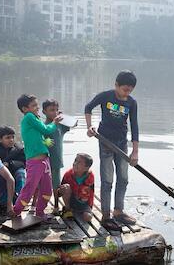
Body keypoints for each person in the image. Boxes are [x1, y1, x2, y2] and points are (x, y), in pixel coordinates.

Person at [84, 70, 139, 230]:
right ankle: (106, 216)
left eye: (130, 90)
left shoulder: (132, 102)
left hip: (122, 143)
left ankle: (118, 211)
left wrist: (135, 152)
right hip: (105, 142)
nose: (126, 93)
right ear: (116, 85)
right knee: (107, 180)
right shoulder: (105, 96)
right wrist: (89, 126)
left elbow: (134, 127)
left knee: (123, 179)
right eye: (124, 89)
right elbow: (88, 107)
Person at [13, 94, 62, 219]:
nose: (37, 107)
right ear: (24, 109)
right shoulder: (29, 117)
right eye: (34, 105)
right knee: (29, 190)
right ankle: (16, 211)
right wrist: (55, 122)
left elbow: (38, 136)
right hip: (35, 162)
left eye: (37, 105)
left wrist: (46, 143)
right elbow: (46, 130)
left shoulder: (34, 119)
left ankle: (40, 212)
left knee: (47, 190)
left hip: (44, 160)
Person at [42, 99, 71, 214]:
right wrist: (45, 142)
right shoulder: (43, 126)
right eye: (51, 110)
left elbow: (74, 123)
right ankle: (37, 205)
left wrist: (64, 117)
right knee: (42, 182)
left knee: (56, 183)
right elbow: (38, 140)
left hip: (56, 159)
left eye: (56, 110)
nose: (54, 112)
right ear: (44, 111)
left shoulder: (60, 126)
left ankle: (56, 205)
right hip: (44, 159)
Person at [0, 125, 26, 203]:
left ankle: (19, 197)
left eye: (13, 137)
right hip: (1, 175)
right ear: (0, 139)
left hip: (14, 172)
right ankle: (3, 200)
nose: (11, 140)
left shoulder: (19, 149)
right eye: (8, 137)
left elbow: (24, 162)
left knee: (21, 172)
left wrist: (9, 164)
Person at [59, 153, 94, 222]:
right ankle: (67, 209)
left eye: (79, 163)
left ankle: (79, 211)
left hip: (84, 204)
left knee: (88, 218)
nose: (75, 163)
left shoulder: (90, 176)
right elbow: (60, 191)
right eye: (75, 161)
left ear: (86, 168)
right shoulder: (68, 174)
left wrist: (89, 207)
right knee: (66, 187)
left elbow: (91, 193)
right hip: (71, 201)